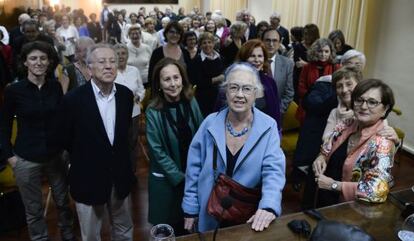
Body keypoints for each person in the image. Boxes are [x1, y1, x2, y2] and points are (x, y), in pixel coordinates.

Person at [182, 63, 286, 232]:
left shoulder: (268, 126)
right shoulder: (210, 123)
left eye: (246, 88)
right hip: (209, 211)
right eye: (234, 87)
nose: (239, 94)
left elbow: (274, 171)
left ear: (256, 93)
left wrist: (269, 205)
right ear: (225, 90)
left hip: (247, 216)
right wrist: (190, 206)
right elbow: (193, 168)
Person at [0, 41, 76, 241]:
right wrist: (9, 157)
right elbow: (4, 126)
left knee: (62, 202)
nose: (38, 62)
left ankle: (68, 236)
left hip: (55, 155)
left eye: (43, 58)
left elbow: (62, 120)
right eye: (33, 58)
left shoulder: (55, 87)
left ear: (49, 61)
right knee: (33, 209)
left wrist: (67, 149)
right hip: (25, 158)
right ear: (25, 62)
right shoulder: (13, 91)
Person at [60, 44, 135, 241]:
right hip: (87, 178)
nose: (109, 66)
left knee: (124, 230)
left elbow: (124, 136)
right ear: (89, 68)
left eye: (113, 61)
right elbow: (67, 139)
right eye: (102, 62)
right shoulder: (72, 100)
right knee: (91, 235)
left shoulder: (126, 96)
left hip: (120, 177)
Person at [313, 79, 397, 207]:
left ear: (385, 109)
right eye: (359, 100)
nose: (363, 106)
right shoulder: (347, 124)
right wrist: (321, 157)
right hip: (325, 199)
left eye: (372, 102)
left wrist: (333, 185)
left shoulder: (383, 142)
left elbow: (375, 191)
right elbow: (326, 148)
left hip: (350, 210)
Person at [146, 58, 203, 235]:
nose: (173, 84)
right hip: (167, 182)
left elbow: (202, 135)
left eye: (176, 78)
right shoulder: (152, 110)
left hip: (193, 177)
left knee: (191, 228)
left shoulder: (191, 100)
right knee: (169, 230)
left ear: (182, 79)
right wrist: (181, 177)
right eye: (167, 79)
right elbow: (157, 151)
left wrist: (197, 172)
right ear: (159, 84)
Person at [236, 39, 281, 129]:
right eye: (252, 56)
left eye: (260, 56)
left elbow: (276, 113)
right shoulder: (232, 82)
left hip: (265, 134)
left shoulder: (270, 83)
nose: (257, 60)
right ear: (244, 58)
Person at [114, 43, 145, 169]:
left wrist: (139, 96)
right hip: (116, 113)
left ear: (127, 55)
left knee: (133, 142)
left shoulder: (134, 70)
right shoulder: (110, 71)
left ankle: (132, 171)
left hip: (134, 112)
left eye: (123, 53)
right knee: (119, 142)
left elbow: (141, 89)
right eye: (118, 53)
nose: (121, 56)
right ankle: (120, 169)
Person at [296, 38, 340, 124]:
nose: (323, 54)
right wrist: (314, 100)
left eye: (326, 51)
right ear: (315, 52)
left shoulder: (336, 67)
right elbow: (301, 88)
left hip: (329, 109)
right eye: (320, 51)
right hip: (310, 108)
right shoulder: (307, 67)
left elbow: (338, 88)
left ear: (331, 52)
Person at [188, 32, 225, 117]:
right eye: (204, 43)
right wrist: (217, 79)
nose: (207, 45)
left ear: (213, 43)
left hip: (220, 96)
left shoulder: (221, 58)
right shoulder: (196, 61)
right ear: (200, 45)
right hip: (204, 98)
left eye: (209, 42)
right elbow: (197, 81)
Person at [148, 21, 191, 88]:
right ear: (166, 33)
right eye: (172, 32)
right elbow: (152, 76)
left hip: (182, 92)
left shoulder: (185, 53)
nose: (175, 35)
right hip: (162, 93)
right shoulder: (157, 53)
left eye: (177, 33)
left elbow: (189, 75)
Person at [262, 28, 294, 114]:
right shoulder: (254, 61)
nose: (271, 44)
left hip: (277, 114)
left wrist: (278, 111)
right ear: (262, 41)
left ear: (280, 43)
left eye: (275, 41)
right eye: (267, 40)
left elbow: (289, 92)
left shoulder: (288, 64)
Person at [293, 23, 320, 100]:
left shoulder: (318, 47)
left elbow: (319, 66)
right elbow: (298, 64)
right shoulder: (298, 46)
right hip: (299, 77)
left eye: (309, 35)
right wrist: (311, 65)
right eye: (305, 34)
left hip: (313, 78)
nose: (306, 37)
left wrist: (306, 64)